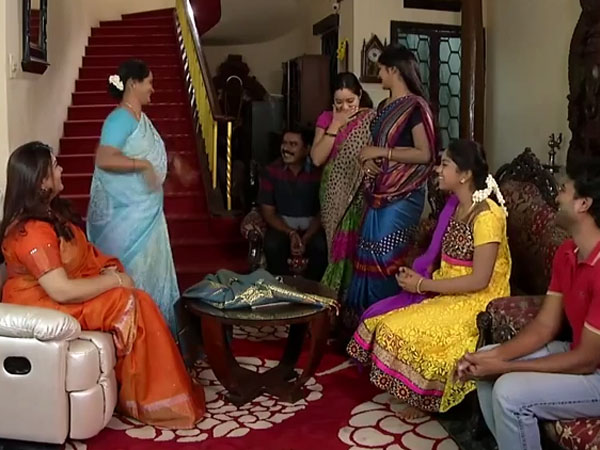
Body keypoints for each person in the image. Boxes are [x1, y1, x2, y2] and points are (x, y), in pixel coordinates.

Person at [0, 142, 205, 428]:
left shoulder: (52, 215)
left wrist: (105, 269)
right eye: (55, 166)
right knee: (131, 302)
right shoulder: (31, 232)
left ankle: (152, 391)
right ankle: (157, 400)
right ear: (41, 181)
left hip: (59, 294)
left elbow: (81, 259)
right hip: (42, 303)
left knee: (133, 298)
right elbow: (61, 290)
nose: (61, 169)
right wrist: (113, 280)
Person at [347, 140, 511, 419]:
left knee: (395, 331)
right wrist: (419, 278)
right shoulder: (456, 206)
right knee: (381, 324)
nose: (437, 170)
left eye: (444, 164)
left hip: (476, 301)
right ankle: (415, 390)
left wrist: (422, 285)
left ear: (464, 174)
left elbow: (480, 280)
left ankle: (424, 398)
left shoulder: (487, 216)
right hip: (447, 291)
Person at [458, 158, 600, 450]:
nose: (556, 197)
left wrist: (505, 368)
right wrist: (494, 358)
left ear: (583, 204)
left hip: (593, 370)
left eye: (563, 190)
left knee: (508, 391)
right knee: (484, 357)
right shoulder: (567, 251)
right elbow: (545, 325)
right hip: (579, 355)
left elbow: (587, 359)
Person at [345, 45, 437, 325]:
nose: (379, 75)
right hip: (378, 189)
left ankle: (385, 323)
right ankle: (362, 324)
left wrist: (382, 153)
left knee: (386, 256)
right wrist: (368, 163)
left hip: (403, 194)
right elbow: (375, 148)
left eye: (382, 69)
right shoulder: (384, 106)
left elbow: (424, 154)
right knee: (366, 251)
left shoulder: (415, 107)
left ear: (394, 70)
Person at [86, 59, 179, 335]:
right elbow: (105, 158)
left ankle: (155, 339)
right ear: (132, 84)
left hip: (147, 218)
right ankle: (136, 340)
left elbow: (139, 151)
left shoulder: (139, 119)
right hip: (127, 224)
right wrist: (144, 166)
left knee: (150, 280)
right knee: (134, 281)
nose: (153, 89)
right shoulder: (120, 119)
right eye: (149, 82)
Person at [312, 72, 375, 299]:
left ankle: (352, 299)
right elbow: (317, 158)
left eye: (350, 101)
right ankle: (333, 296)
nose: (345, 107)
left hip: (360, 192)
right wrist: (336, 125)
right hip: (333, 190)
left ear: (360, 96)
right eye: (339, 102)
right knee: (337, 245)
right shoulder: (326, 118)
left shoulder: (370, 119)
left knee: (356, 244)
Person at [257, 128, 327, 281]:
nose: (286, 148)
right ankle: (282, 287)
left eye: (293, 144)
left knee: (321, 247)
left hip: (312, 227)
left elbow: (323, 211)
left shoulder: (319, 172)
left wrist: (307, 236)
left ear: (307, 149)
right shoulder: (271, 171)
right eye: (284, 143)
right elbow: (268, 213)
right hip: (282, 226)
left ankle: (313, 289)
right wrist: (291, 233)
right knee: (272, 245)